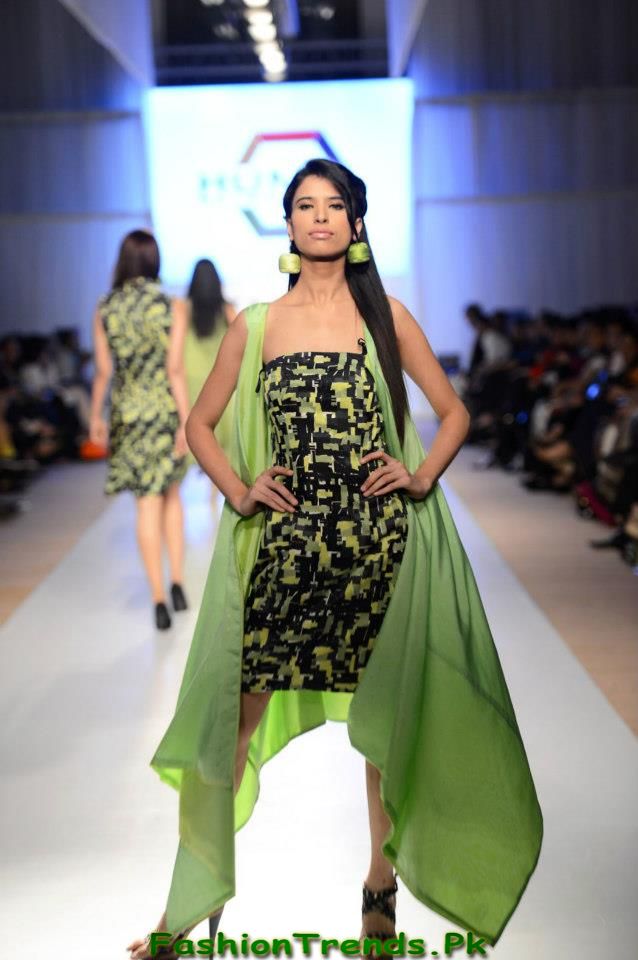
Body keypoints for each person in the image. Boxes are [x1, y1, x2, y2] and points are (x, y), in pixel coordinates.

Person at [128, 160, 543, 959]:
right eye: (305, 205)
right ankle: (187, 905)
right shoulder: (257, 324)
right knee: (233, 725)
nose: (320, 216)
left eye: (335, 205)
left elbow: (454, 412)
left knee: (385, 728)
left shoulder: (384, 316)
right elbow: (200, 426)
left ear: (356, 223)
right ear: (287, 224)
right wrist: (241, 491)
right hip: (286, 551)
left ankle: (380, 888)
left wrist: (419, 476)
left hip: (374, 547)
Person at [90, 229, 190, 631]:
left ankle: (158, 599)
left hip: (129, 415)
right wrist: (187, 421)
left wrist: (95, 417)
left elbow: (103, 371)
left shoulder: (106, 307)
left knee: (146, 504)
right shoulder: (172, 306)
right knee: (172, 496)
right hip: (164, 411)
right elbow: (175, 370)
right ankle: (178, 582)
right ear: (154, 260)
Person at [184, 259, 237, 468]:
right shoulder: (226, 309)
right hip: (221, 380)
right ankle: (217, 487)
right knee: (223, 449)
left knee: (197, 436)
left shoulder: (184, 310)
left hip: (192, 380)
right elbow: (245, 340)